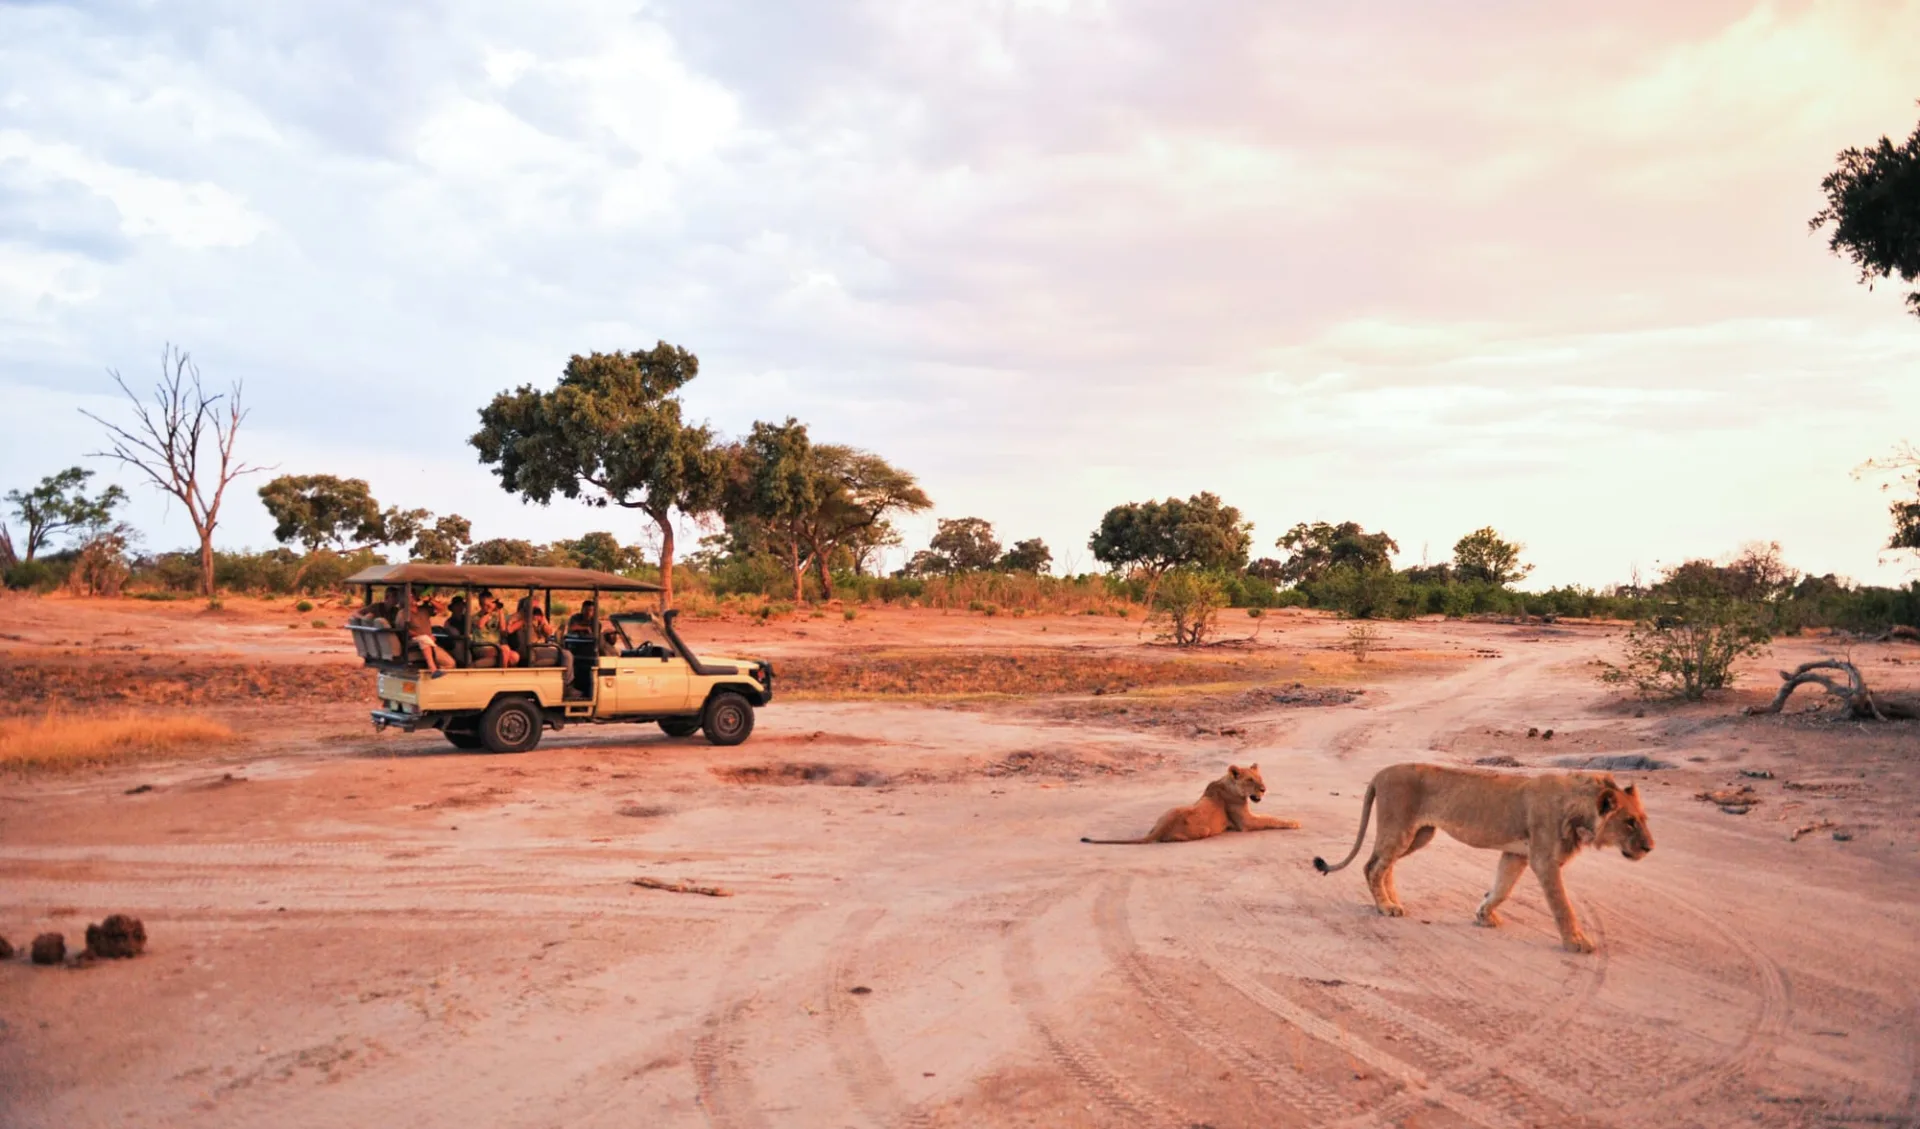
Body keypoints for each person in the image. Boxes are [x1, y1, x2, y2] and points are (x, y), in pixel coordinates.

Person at [402, 594, 453, 673]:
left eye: (413, 595)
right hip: (414, 641)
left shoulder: (423, 610)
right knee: (424, 639)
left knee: (450, 663)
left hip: (429, 642)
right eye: (409, 595)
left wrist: (430, 599)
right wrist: (422, 636)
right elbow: (404, 630)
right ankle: (432, 668)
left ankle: (438, 678)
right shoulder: (403, 613)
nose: (412, 598)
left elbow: (442, 609)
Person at [472, 589, 519, 668]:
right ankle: (503, 674)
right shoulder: (475, 617)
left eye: (489, 604)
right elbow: (480, 625)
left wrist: (500, 610)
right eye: (485, 605)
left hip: (495, 647)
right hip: (481, 647)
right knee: (505, 648)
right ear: (480, 605)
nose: (488, 607)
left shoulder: (495, 616)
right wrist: (490, 611)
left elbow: (503, 630)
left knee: (515, 656)